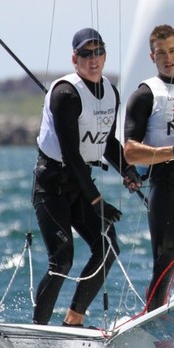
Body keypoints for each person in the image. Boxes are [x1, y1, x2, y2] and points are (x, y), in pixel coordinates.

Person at [32, 27, 142, 326]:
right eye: (85, 53)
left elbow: (105, 142)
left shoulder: (111, 91)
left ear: (105, 55)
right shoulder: (65, 94)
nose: (93, 59)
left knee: (107, 248)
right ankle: (38, 329)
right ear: (74, 58)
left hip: (80, 183)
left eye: (98, 52)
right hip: (52, 184)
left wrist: (128, 170)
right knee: (62, 259)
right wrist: (96, 201)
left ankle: (73, 320)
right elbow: (70, 155)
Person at [123, 24, 174, 311]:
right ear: (152, 57)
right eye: (161, 53)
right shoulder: (145, 94)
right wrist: (173, 151)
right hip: (164, 180)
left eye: (173, 51)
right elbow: (130, 152)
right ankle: (153, 317)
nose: (168, 58)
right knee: (164, 261)